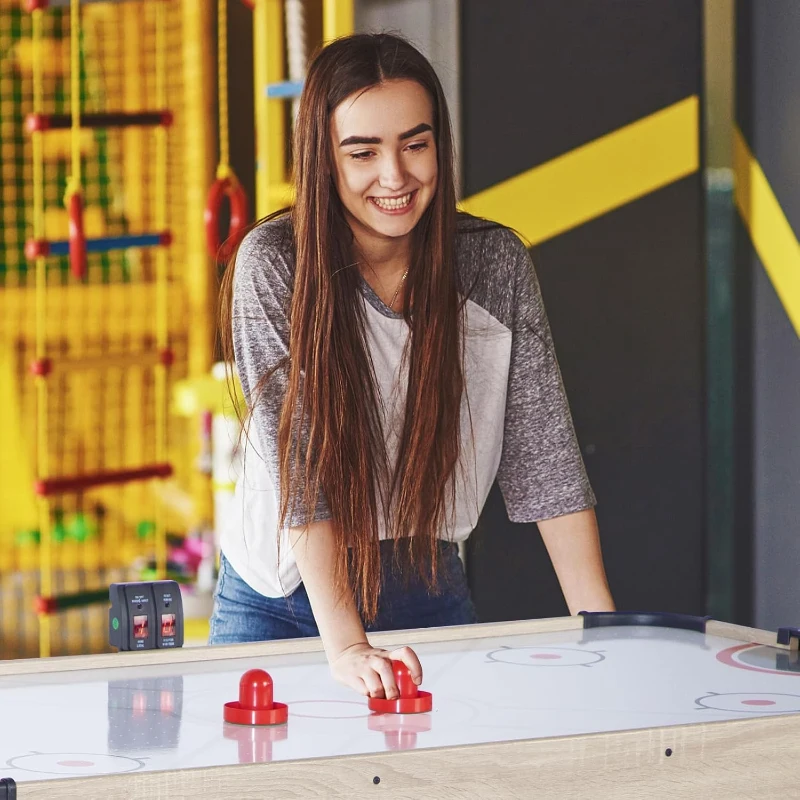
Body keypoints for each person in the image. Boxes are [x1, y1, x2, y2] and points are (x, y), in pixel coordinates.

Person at [212, 32, 614, 701]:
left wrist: (606, 631)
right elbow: (301, 470)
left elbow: (548, 465)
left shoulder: (493, 264)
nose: (394, 175)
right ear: (323, 158)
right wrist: (344, 644)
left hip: (425, 582)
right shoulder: (273, 262)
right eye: (362, 152)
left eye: (414, 144)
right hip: (279, 600)